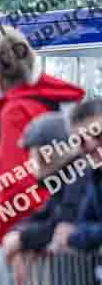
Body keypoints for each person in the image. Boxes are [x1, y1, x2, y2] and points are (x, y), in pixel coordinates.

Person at [0, 26, 84, 255]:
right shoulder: (59, 103)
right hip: (59, 227)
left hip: (29, 238)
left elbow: (15, 186)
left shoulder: (15, 111)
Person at [46, 98, 102, 253]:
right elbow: (80, 222)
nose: (91, 144)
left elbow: (74, 231)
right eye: (81, 140)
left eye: (97, 134)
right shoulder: (95, 175)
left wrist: (74, 236)